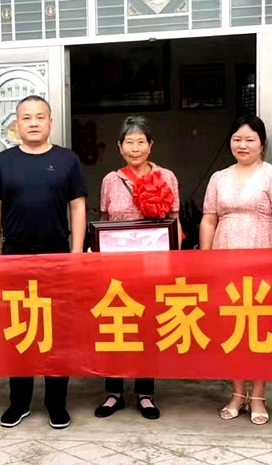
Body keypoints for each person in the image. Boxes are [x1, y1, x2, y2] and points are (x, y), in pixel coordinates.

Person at [0, 95, 87, 430]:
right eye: (26, 117)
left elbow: (77, 207)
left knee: (57, 333)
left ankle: (56, 402)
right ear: (17, 124)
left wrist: (76, 255)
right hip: (14, 256)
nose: (33, 123)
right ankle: (19, 402)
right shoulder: (3, 162)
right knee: (19, 331)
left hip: (56, 256)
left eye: (40, 117)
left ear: (50, 122)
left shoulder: (67, 160)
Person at [199, 115, 272, 426]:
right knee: (232, 328)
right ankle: (237, 393)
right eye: (237, 139)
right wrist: (205, 258)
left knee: (260, 328)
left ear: (262, 143)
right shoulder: (219, 177)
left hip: (262, 258)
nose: (243, 145)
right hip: (225, 258)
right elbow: (209, 218)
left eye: (250, 139)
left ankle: (259, 395)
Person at [93, 116, 180, 421]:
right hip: (116, 266)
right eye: (129, 142)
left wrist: (175, 260)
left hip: (153, 265)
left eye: (141, 141)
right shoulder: (110, 180)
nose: (135, 148)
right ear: (120, 147)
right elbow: (104, 220)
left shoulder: (166, 177)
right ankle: (113, 392)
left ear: (150, 145)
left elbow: (174, 219)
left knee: (147, 326)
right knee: (115, 322)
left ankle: (145, 393)